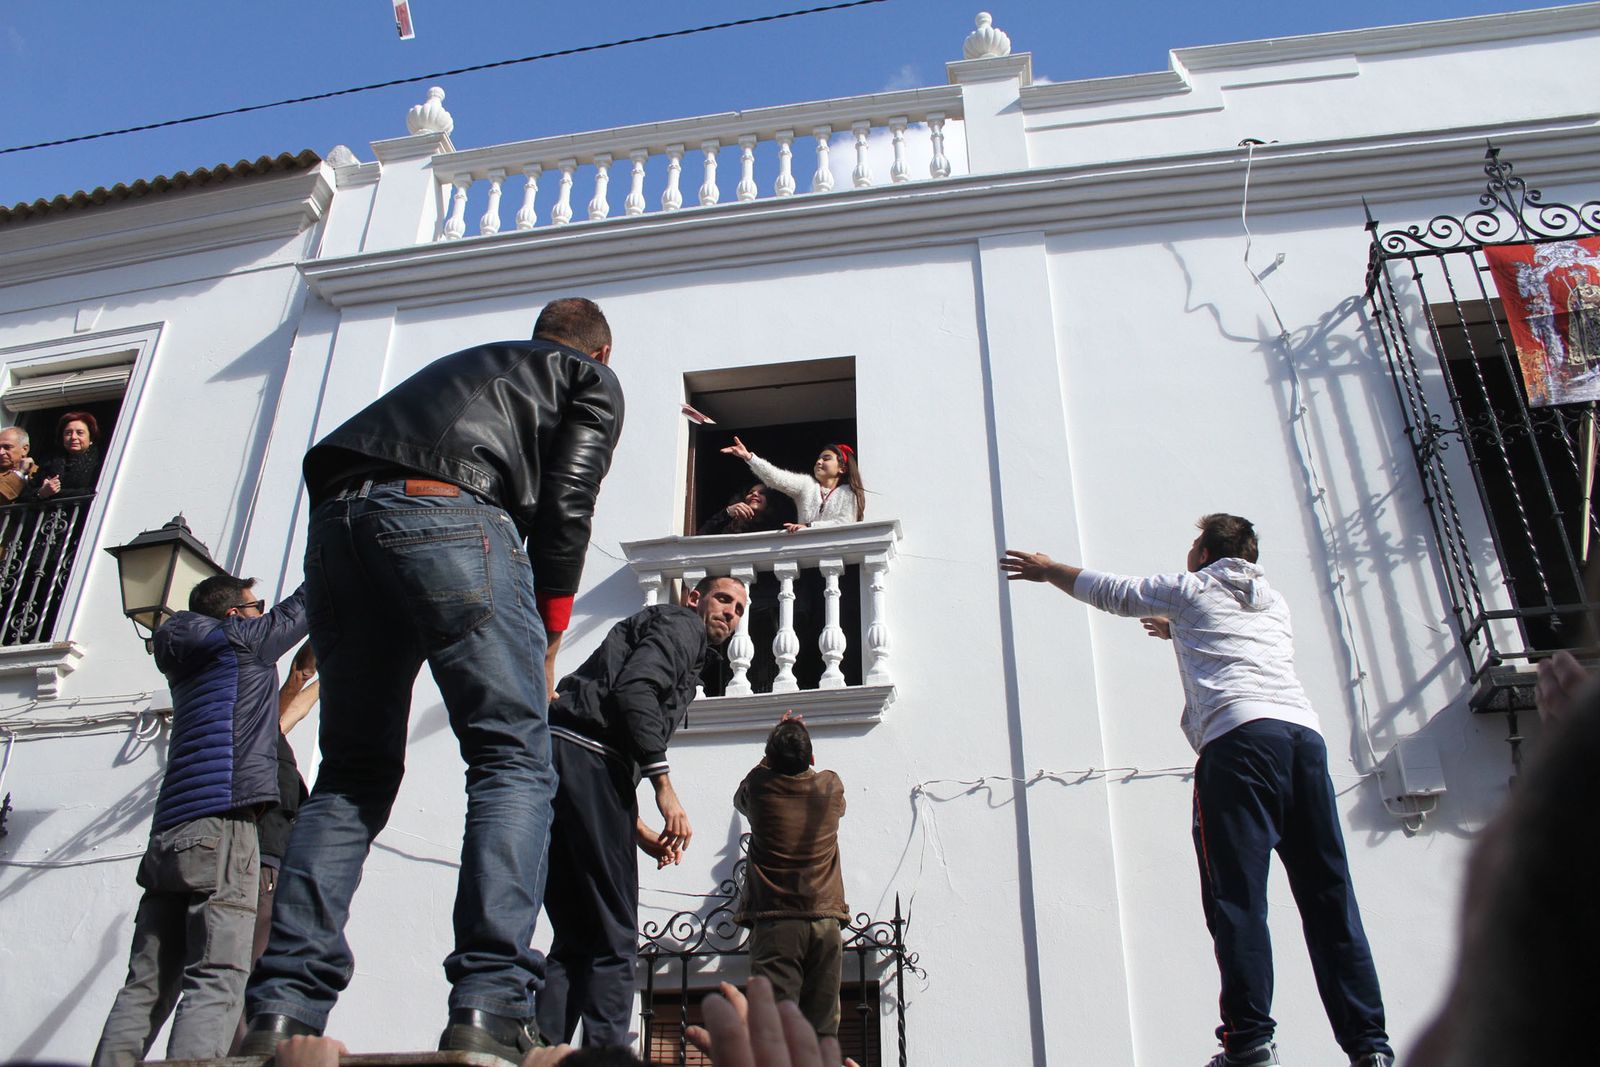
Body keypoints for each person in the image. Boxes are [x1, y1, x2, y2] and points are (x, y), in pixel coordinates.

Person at [241, 297, 625, 1064]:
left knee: (350, 773)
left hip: (338, 526)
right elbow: (567, 507)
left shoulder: (465, 365)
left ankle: (281, 1011)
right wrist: (551, 630)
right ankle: (489, 1002)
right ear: (600, 353)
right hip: (452, 515)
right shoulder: (586, 377)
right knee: (514, 759)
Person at [1000, 514, 1394, 1067]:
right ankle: (1369, 1047)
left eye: (1193, 543)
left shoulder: (1191, 588)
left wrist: (1050, 571)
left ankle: (1250, 1040)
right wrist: (1178, 629)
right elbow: (1234, 643)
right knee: (1330, 900)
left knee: (1237, 899)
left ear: (1206, 551)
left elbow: (1115, 592)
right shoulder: (1273, 602)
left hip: (1240, 746)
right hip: (1305, 742)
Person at [92, 574, 309, 1067]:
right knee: (219, 973)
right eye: (256, 607)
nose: (262, 615)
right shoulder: (241, 641)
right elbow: (307, 601)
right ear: (235, 614)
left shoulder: (184, 655)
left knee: (146, 985)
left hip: (170, 829)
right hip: (223, 824)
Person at [537, 575, 749, 1048]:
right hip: (588, 757)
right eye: (722, 599)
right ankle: (606, 1056)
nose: (730, 613)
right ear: (696, 598)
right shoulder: (681, 625)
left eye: (738, 609)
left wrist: (634, 829)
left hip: (566, 758)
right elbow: (634, 692)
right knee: (615, 934)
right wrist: (664, 788)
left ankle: (543, 1050)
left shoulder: (679, 642)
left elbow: (609, 727)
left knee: (575, 934)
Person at [734, 713, 848, 1039]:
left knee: (776, 1032)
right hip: (825, 920)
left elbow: (742, 792)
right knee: (823, 1031)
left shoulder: (758, 789)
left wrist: (768, 758)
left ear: (769, 758)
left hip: (777, 921)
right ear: (811, 757)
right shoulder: (831, 787)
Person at [230, 642, 318, 1053]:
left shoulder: (270, 736)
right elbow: (298, 679)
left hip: (271, 865)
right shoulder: (250, 729)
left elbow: (298, 703)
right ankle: (239, 1055)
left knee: (251, 968)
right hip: (260, 864)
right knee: (247, 969)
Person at [720, 438, 863, 530]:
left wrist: (810, 526)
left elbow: (846, 522)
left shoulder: (848, 492)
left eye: (826, 459)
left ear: (842, 468)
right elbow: (775, 477)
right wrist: (749, 458)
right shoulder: (807, 485)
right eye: (818, 459)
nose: (819, 462)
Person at [34, 410, 103, 500]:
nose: (73, 437)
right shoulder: (49, 461)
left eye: (80, 433)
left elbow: (93, 492)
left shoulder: (100, 462)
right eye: (68, 433)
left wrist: (52, 494)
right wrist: (41, 492)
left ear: (91, 438)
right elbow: (25, 494)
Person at [698, 482, 777, 535]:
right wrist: (727, 512)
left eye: (762, 493)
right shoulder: (731, 525)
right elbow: (701, 535)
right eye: (750, 492)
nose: (754, 494)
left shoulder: (776, 526)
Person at [0, 426, 35, 503]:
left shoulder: (41, 472)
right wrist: (20, 473)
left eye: (7, 447)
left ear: (25, 449)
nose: (1, 452)